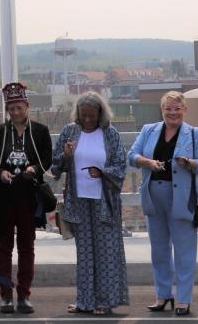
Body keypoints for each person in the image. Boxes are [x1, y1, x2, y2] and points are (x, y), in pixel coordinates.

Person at [128, 90, 198, 316]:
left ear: (185, 110)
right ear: (162, 110)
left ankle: (183, 299)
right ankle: (163, 295)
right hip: (153, 196)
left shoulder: (196, 134)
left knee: (184, 250)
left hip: (182, 199)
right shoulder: (148, 130)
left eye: (177, 108)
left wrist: (191, 163)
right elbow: (131, 156)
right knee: (159, 250)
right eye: (168, 108)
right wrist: (148, 162)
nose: (173, 113)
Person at [51, 91, 129, 316]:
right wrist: (66, 156)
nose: (87, 120)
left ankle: (104, 301)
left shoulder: (109, 133)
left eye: (91, 116)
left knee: (106, 253)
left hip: (105, 203)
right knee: (84, 254)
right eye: (83, 115)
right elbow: (56, 168)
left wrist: (103, 172)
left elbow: (120, 165)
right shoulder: (70, 132)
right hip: (79, 202)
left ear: (100, 114)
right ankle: (84, 301)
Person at [0, 82, 53, 315]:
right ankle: (5, 296)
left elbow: (46, 158)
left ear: (27, 106)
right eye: (11, 108)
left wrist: (34, 169)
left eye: (19, 108)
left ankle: (24, 294)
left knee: (27, 246)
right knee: (3, 247)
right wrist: (0, 172)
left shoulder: (40, 131)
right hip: (3, 196)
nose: (15, 112)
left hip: (28, 196)